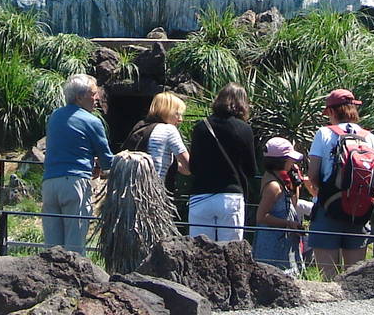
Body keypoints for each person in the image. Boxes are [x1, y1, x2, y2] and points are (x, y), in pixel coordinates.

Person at [306, 89, 374, 278]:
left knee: (328, 278)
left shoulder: (324, 134)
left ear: (331, 111)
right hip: (360, 212)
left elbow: (313, 175)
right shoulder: (371, 139)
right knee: (354, 277)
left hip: (328, 209)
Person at [41, 74, 114, 255]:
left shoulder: (54, 117)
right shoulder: (92, 121)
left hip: (49, 183)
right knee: (74, 248)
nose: (97, 98)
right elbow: (107, 160)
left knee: (52, 248)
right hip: (75, 183)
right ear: (80, 97)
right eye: (93, 93)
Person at [186, 83, 257, 242]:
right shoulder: (244, 129)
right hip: (230, 196)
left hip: (201, 195)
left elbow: (193, 167)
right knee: (231, 249)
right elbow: (251, 170)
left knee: (199, 250)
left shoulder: (201, 127)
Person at [252, 137, 309, 272]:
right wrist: (288, 223)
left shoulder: (276, 177)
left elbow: (293, 204)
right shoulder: (273, 186)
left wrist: (296, 183)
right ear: (282, 161)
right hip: (273, 244)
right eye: (290, 159)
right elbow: (261, 217)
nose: (293, 162)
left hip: (283, 241)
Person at [123, 91, 191, 182]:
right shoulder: (169, 130)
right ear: (167, 111)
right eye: (177, 114)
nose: (180, 119)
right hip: (154, 188)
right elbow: (188, 168)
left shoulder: (140, 126)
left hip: (132, 186)